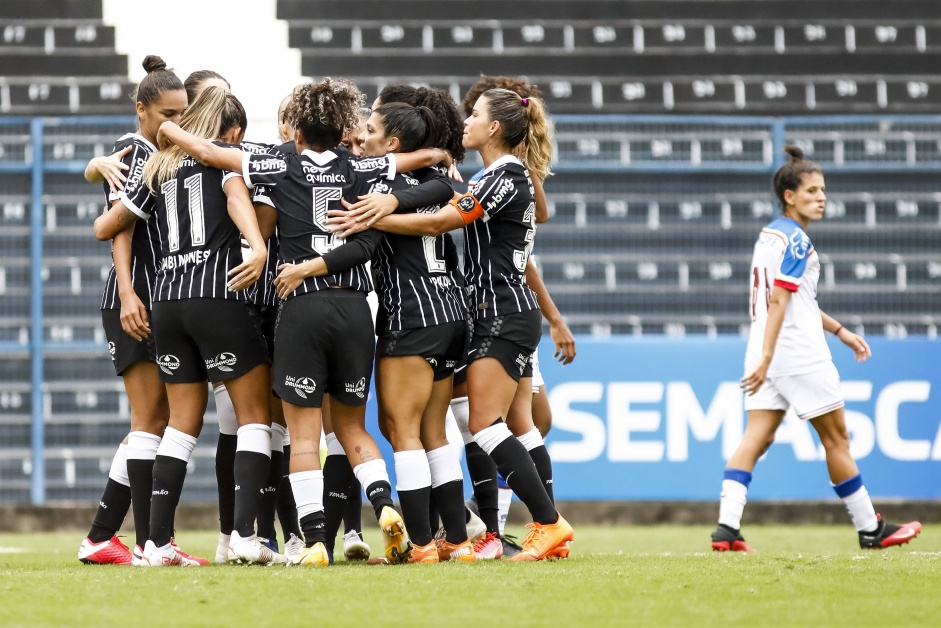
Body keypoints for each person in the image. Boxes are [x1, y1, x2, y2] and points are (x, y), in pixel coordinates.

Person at [158, 77, 453, 566]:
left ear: (296, 133)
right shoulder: (362, 168)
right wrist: (433, 157)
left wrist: (169, 125)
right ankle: (382, 504)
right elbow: (409, 165)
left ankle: (313, 541)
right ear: (342, 129)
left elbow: (210, 154)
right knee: (353, 430)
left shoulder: (278, 163)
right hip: (356, 308)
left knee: (303, 436)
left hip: (301, 304)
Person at [329, 88, 574, 561]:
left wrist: (374, 217)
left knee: (482, 423)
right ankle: (474, 536)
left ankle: (547, 523)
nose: (468, 120)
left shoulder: (503, 176)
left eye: (476, 114)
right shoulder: (491, 177)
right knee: (482, 424)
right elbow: (450, 196)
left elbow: (440, 222)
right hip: (480, 311)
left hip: (498, 309)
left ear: (495, 128)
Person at [95, 87, 277, 566]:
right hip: (217, 295)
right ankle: (242, 537)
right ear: (227, 128)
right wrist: (255, 244)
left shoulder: (156, 167)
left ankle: (154, 543)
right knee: (254, 416)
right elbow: (237, 198)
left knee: (180, 425)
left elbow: (106, 226)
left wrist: (97, 167)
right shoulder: (226, 160)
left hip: (168, 303)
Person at [711, 146, 922, 552]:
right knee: (837, 439)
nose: (821, 197)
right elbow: (780, 302)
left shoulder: (769, 235)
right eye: (812, 190)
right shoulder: (797, 243)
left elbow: (794, 300)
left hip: (764, 346)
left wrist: (839, 330)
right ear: (789, 196)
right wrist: (773, 356)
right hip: (793, 351)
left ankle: (726, 529)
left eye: (823, 190)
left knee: (758, 434)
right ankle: (869, 528)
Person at [78, 55, 195, 566]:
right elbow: (117, 229)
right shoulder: (132, 154)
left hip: (156, 296)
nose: (176, 124)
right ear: (143, 110)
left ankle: (105, 536)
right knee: (150, 419)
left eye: (183, 114)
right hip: (137, 299)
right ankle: (151, 543)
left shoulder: (160, 152)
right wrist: (128, 293)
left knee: (153, 419)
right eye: (168, 113)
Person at [360, 102, 475, 563]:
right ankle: (459, 543)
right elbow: (450, 186)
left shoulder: (373, 181)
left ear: (392, 145)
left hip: (409, 316)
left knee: (403, 432)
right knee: (434, 432)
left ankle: (422, 545)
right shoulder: (438, 184)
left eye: (370, 130)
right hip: (450, 312)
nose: (361, 137)